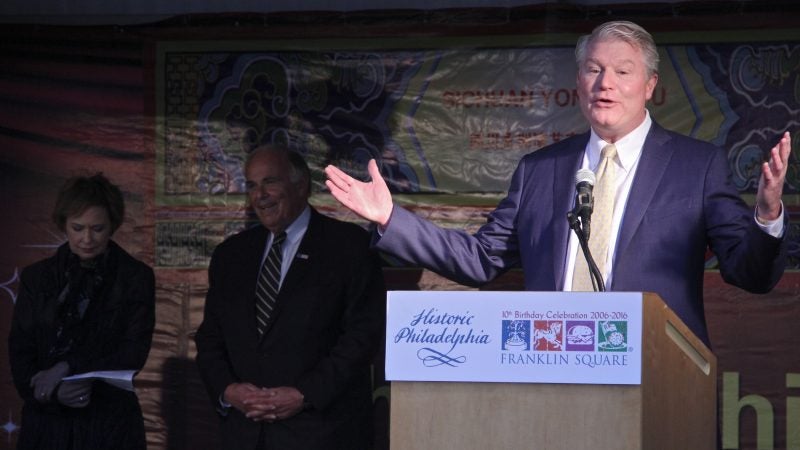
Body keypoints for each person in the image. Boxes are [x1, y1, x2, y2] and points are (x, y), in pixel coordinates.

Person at [324, 20, 792, 347]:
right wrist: (391, 218)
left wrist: (767, 216)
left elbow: (750, 274)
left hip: (658, 381)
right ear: (579, 81)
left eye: (622, 71)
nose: (605, 82)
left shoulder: (697, 166)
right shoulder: (540, 171)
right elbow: (481, 260)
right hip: (552, 372)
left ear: (649, 85)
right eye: (593, 69)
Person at [195, 145, 386, 449]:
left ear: (301, 186)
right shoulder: (230, 256)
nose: (260, 195)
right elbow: (209, 340)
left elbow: (362, 337)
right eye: (252, 185)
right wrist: (229, 390)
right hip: (247, 434)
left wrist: (305, 394)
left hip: (323, 433)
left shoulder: (348, 247)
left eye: (270, 182)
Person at [8, 174, 155, 450]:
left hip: (110, 426)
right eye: (78, 228)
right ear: (63, 224)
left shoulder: (135, 277)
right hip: (46, 427)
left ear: (112, 226)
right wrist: (53, 394)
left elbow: (133, 351)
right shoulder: (37, 278)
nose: (87, 239)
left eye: (97, 228)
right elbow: (21, 354)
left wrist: (67, 367)